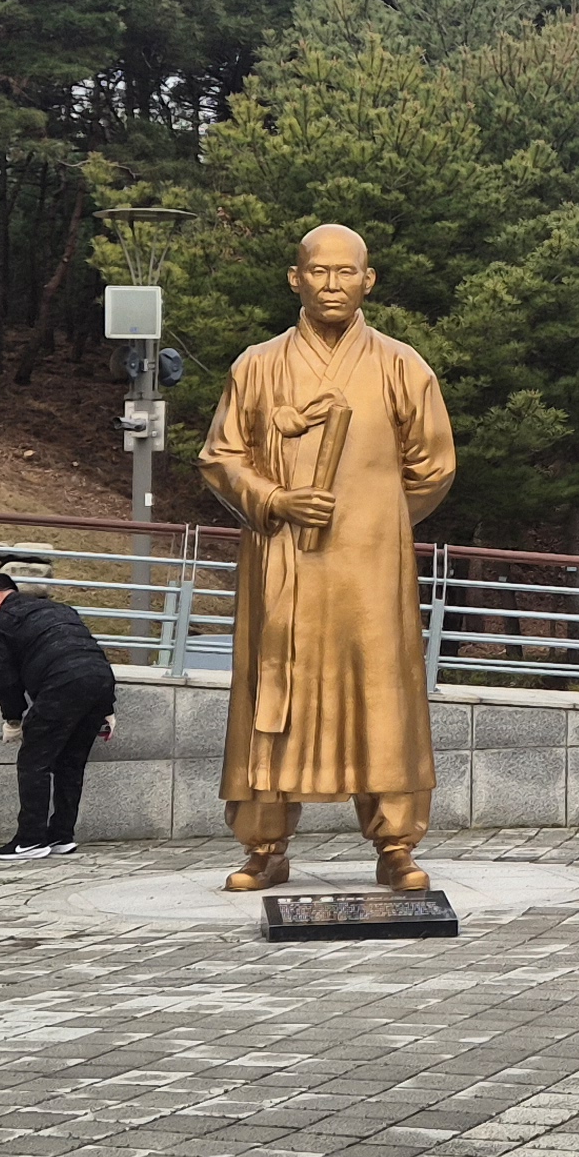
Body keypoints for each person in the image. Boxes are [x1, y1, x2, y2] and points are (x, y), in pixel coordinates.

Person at [195, 222, 460, 891]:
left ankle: (396, 843)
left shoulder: (402, 366)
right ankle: (264, 845)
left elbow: (433, 466)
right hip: (283, 562)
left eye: (347, 272)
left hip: (371, 572)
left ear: (368, 281)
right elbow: (221, 457)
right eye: (319, 271)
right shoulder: (257, 365)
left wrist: (375, 523)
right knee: (273, 694)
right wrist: (276, 500)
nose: (332, 285)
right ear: (296, 279)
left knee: (383, 697)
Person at [0, 571, 119, 861]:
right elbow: (86, 651)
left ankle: (30, 840)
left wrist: (13, 720)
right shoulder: (61, 610)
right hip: (100, 680)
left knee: (34, 761)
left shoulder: (1, 623)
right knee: (70, 763)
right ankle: (61, 836)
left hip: (61, 684)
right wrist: (106, 707)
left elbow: (4, 676)